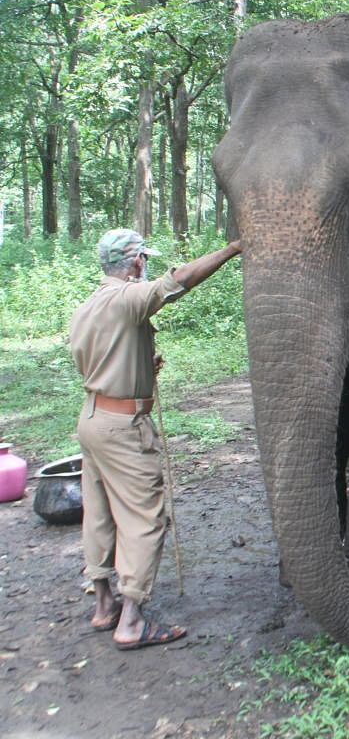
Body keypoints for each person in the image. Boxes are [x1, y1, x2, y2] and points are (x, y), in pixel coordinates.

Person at [69, 228, 242, 650]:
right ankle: (131, 620)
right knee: (145, 516)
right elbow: (178, 281)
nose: (144, 264)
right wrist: (232, 250)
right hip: (121, 428)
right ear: (135, 262)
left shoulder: (87, 307)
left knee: (99, 512)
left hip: (92, 418)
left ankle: (104, 604)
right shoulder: (127, 300)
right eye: (143, 258)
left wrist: (140, 368)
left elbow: (98, 362)